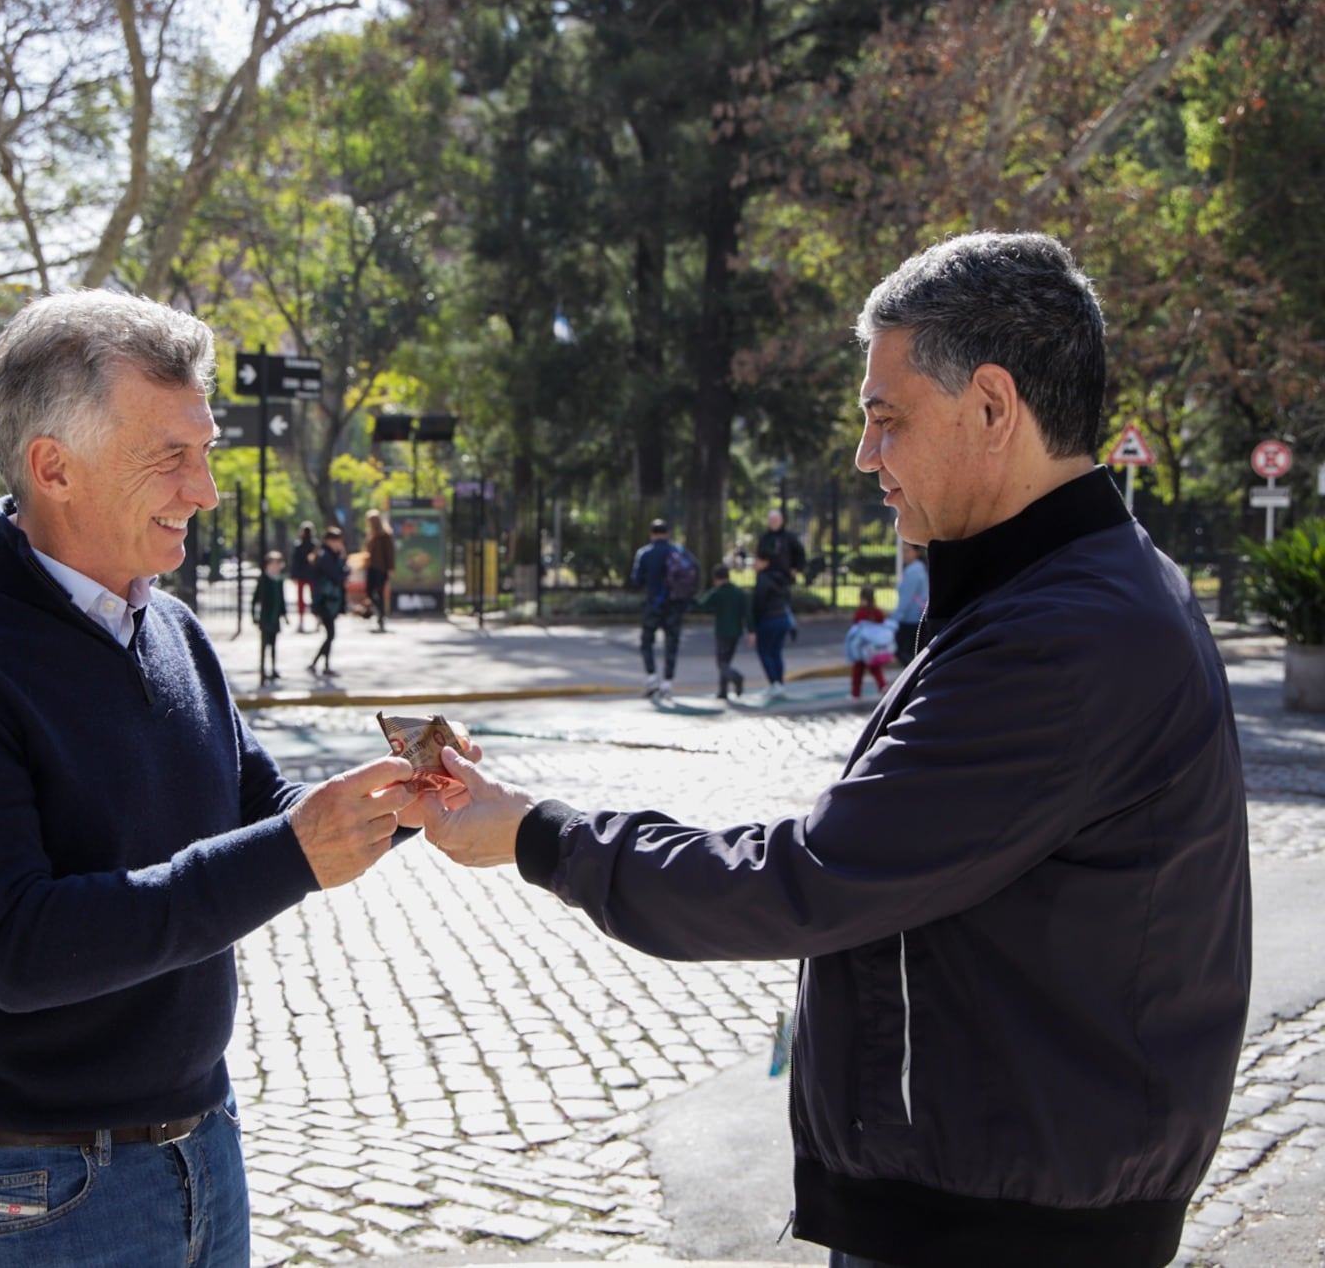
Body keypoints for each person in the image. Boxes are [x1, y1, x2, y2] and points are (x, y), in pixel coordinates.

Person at [417, 232, 1251, 1268]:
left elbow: (808, 879)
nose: (866, 457)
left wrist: (537, 835)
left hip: (997, 1231)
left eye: (885, 418)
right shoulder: (1078, 589)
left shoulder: (1061, 637)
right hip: (1003, 1194)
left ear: (992, 408)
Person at [0, 290, 432, 1268]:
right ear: (54, 468)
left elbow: (258, 806)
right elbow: (21, 949)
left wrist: (391, 803)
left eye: (203, 449)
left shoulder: (169, 627)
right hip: (37, 1188)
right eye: (172, 455)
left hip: (203, 1144)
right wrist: (296, 855)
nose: (204, 489)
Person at [630, 518, 689, 700]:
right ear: (668, 534)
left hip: (653, 604)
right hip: (674, 605)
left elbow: (636, 580)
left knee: (647, 641)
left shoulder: (645, 553)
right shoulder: (677, 552)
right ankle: (667, 682)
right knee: (672, 643)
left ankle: (651, 677)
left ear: (651, 534)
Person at [694, 562, 753, 699]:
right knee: (726, 661)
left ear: (716, 578)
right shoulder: (739, 592)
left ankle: (735, 677)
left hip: (722, 631)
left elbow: (702, 605)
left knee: (721, 662)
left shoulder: (717, 592)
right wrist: (751, 631)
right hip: (736, 631)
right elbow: (748, 613)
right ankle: (723, 691)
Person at [750, 549, 797, 699]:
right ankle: (779, 683)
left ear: (765, 562)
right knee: (776, 652)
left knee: (765, 651)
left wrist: (754, 624)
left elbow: (759, 602)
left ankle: (774, 683)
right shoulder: (780, 578)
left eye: (756, 561)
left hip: (769, 619)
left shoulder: (763, 579)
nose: (753, 564)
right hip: (782, 618)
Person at [308, 524, 348, 678]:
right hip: (325, 601)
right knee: (330, 634)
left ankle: (320, 664)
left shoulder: (329, 555)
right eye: (336, 541)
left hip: (329, 601)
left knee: (330, 634)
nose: (339, 544)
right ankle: (320, 664)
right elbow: (338, 576)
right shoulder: (326, 556)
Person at [844, 584, 895, 699]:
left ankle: (855, 693)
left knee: (858, 670)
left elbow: (855, 627)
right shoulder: (878, 612)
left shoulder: (860, 613)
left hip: (862, 648)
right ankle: (882, 685)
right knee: (875, 667)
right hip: (874, 648)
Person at [252, 549, 289, 684]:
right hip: (265, 617)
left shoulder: (279, 580)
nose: (275, 567)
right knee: (264, 645)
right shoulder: (264, 579)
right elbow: (256, 600)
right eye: (273, 564)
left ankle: (273, 669)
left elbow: (282, 599)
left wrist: (285, 614)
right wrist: (255, 616)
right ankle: (263, 670)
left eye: (278, 564)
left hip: (275, 618)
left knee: (274, 645)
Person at [893, 540, 928, 664]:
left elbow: (906, 598)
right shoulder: (919, 568)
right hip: (916, 617)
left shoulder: (913, 571)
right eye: (902, 551)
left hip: (910, 619)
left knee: (902, 652)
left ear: (916, 552)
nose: (904, 554)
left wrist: (895, 618)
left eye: (907, 551)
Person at [756, 506, 807, 585]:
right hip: (766, 576)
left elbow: (800, 554)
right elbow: (759, 556)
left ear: (781, 521)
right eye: (771, 520)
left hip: (784, 577)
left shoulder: (789, 537)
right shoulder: (764, 538)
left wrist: (796, 569)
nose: (773, 522)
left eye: (775, 520)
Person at [365, 507, 396, 632]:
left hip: (382, 568)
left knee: (380, 592)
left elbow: (390, 552)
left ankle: (381, 616)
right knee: (369, 591)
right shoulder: (371, 535)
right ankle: (379, 611)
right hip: (371, 567)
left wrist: (390, 568)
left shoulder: (385, 535)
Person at [290, 521, 317, 632]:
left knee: (305, 599)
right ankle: (315, 619)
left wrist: (294, 575)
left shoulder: (302, 545)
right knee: (312, 598)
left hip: (305, 575)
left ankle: (304, 620)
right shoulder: (313, 545)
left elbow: (295, 562)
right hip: (310, 575)